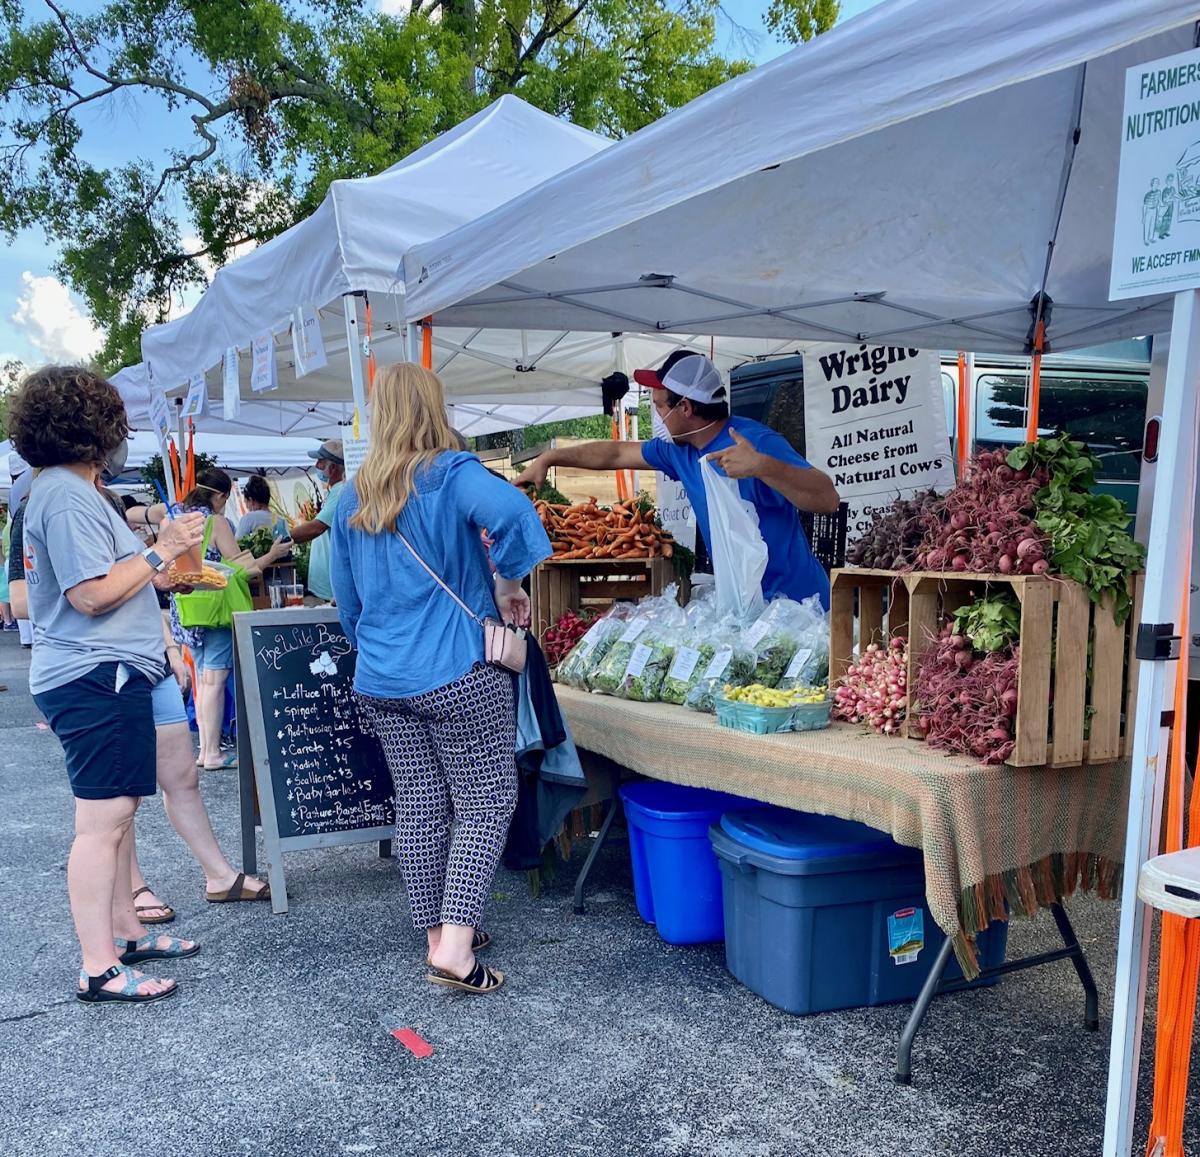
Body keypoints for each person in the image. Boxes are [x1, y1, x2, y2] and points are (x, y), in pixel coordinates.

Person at [331, 363, 551, 995]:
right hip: (457, 670)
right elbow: (515, 515)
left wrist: (379, 651)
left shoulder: (351, 495)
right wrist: (508, 583)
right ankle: (456, 948)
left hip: (380, 677)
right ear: (435, 409)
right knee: (485, 802)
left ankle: (436, 935)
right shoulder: (450, 474)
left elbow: (348, 603)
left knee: (421, 804)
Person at [8, 365, 207, 1004]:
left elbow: (104, 580)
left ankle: (123, 932)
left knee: (118, 816)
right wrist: (163, 549)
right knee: (104, 822)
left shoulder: (66, 489)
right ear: (94, 425)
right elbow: (89, 595)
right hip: (95, 674)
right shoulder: (64, 495)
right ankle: (99, 963)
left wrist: (154, 574)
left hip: (107, 670)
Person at [515, 350, 840, 608]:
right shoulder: (679, 451)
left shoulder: (755, 443)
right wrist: (550, 458)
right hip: (746, 607)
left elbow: (827, 499)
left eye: (658, 406)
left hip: (800, 606)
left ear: (684, 408)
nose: (656, 415)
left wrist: (763, 466)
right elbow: (614, 454)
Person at [129, 467, 290, 770]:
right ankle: (213, 751)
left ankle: (205, 750)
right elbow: (244, 568)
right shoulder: (215, 523)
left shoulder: (173, 519)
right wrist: (271, 554)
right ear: (217, 495)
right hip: (215, 610)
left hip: (187, 609)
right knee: (214, 681)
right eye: (226, 497)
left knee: (203, 680)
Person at [289, 440, 346, 603]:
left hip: (330, 589)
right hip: (327, 587)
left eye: (321, 462)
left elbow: (316, 527)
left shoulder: (340, 490)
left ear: (333, 468)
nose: (317, 465)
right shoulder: (335, 491)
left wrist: (285, 538)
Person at [235, 474, 288, 539]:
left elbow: (237, 544)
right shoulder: (281, 520)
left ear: (251, 500)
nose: (247, 507)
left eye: (246, 502)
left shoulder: (248, 518)